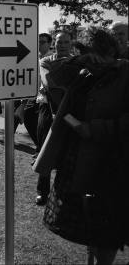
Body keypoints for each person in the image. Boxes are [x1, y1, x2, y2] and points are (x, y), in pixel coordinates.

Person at [39, 28, 129, 264]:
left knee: (107, 232)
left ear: (110, 53)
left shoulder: (125, 73)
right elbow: (53, 77)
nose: (95, 63)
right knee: (88, 226)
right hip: (79, 160)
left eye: (97, 57)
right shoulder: (84, 71)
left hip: (110, 165)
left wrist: (92, 129)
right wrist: (81, 59)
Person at [35, 31, 74, 206]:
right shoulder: (46, 61)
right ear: (54, 44)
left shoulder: (77, 62)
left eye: (66, 42)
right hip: (48, 109)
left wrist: (62, 86)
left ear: (71, 44)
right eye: (59, 42)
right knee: (44, 148)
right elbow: (47, 82)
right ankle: (42, 192)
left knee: (67, 153)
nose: (62, 45)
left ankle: (59, 195)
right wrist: (67, 86)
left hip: (70, 113)